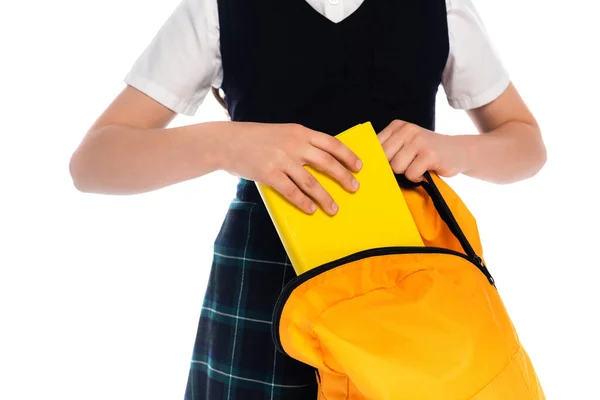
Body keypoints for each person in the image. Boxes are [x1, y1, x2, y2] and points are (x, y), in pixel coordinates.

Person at [69, 0, 547, 398]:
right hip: (264, 281)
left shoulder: (441, 7)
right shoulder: (217, 8)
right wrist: (227, 145)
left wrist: (454, 150)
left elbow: (527, 145)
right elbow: (93, 162)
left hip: (402, 275)